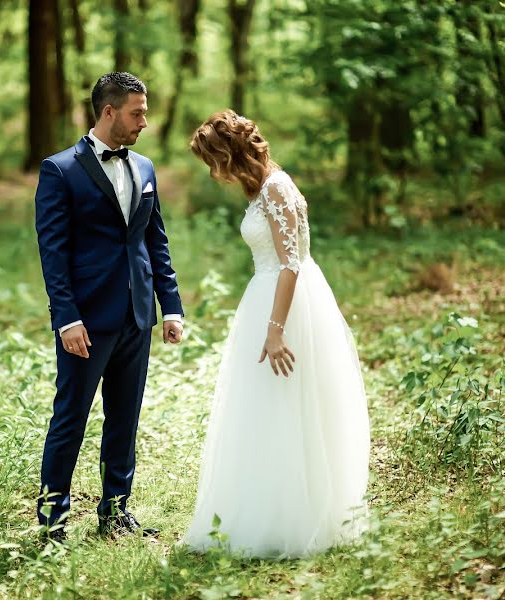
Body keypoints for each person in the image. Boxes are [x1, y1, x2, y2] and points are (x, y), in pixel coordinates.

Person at [181, 110, 370, 558]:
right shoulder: (263, 188)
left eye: (213, 160)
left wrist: (275, 331)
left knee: (286, 404)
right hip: (267, 298)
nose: (213, 172)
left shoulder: (276, 188)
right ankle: (266, 504)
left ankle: (293, 516)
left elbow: (291, 263)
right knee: (267, 408)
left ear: (230, 153)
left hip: (284, 307)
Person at [34, 72, 184, 543]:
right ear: (109, 111)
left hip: (137, 316)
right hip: (87, 321)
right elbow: (53, 253)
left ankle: (115, 513)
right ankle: (52, 523)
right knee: (70, 420)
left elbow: (154, 241)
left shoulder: (144, 168)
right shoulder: (60, 170)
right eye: (138, 112)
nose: (145, 121)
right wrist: (67, 318)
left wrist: (171, 306)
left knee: (125, 419)